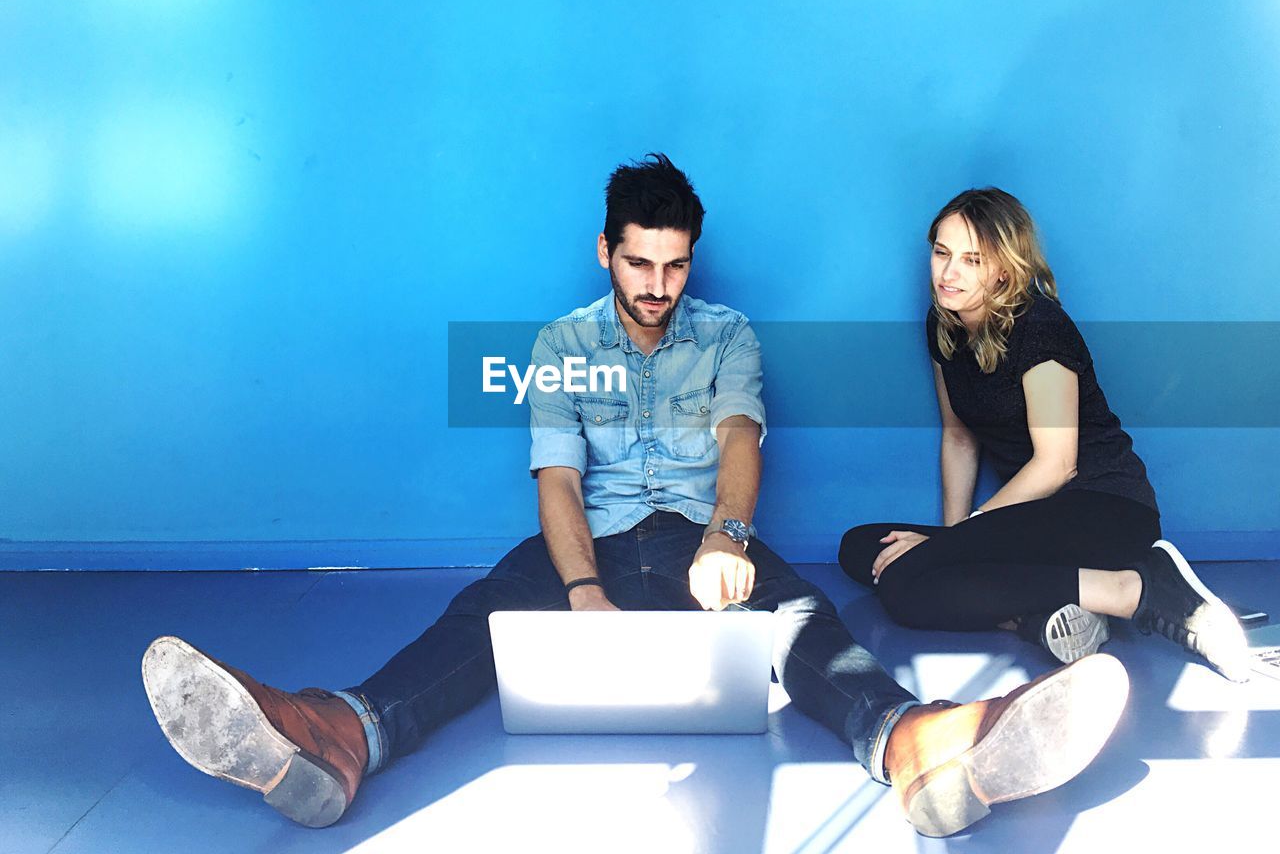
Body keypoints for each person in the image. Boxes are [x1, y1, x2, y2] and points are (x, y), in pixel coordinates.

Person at [143, 158, 1130, 840]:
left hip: (704, 537)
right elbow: (559, 480)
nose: (657, 285)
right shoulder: (559, 347)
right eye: (638, 261)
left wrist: (727, 535)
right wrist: (577, 590)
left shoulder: (727, 335)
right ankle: (337, 737)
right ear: (603, 250)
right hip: (598, 540)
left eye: (675, 263)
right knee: (479, 614)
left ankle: (925, 746)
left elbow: (739, 438)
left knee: (804, 624)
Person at [838, 188, 1250, 681]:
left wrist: (956, 543)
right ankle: (1042, 614)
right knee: (861, 547)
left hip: (1104, 511)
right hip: (1032, 518)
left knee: (905, 584)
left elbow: (1058, 464)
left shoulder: (1039, 327)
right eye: (942, 253)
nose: (949, 274)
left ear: (1004, 270)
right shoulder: (944, 324)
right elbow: (960, 437)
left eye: (972, 260)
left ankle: (1137, 590)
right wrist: (950, 540)